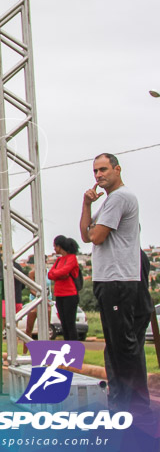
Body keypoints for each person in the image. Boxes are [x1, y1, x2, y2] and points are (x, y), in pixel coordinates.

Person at [79, 153, 152, 414]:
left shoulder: (120, 198)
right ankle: (123, 401)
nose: (98, 175)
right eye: (95, 171)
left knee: (124, 348)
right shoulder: (109, 202)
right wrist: (86, 204)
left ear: (117, 169)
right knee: (117, 346)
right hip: (110, 279)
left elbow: (95, 236)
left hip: (118, 280)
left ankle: (134, 406)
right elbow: (85, 235)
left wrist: (92, 227)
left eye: (103, 169)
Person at [47, 235, 81, 341]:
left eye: (55, 246)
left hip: (70, 294)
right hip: (59, 295)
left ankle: (75, 349)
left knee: (70, 324)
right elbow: (50, 274)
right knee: (64, 324)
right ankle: (68, 347)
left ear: (59, 246)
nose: (54, 248)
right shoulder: (58, 260)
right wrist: (60, 275)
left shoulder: (72, 258)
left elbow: (65, 271)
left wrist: (58, 274)